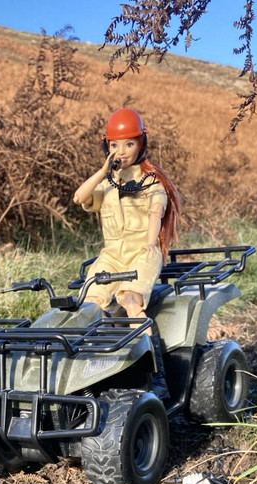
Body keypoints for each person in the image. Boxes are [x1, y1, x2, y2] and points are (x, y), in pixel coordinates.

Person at [73, 108, 181, 327]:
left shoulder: (151, 182)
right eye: (114, 145)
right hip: (112, 257)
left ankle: (145, 354)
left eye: (129, 144)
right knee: (90, 302)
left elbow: (156, 212)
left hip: (141, 252)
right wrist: (102, 172)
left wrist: (151, 244)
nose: (121, 151)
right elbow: (79, 197)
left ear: (141, 144)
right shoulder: (106, 185)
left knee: (132, 301)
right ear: (107, 147)